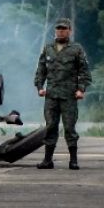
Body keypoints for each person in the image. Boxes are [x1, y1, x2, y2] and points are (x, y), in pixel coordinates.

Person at [35, 17, 92, 170]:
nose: (61, 31)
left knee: (69, 128)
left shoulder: (76, 49)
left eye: (64, 29)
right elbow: (41, 70)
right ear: (55, 31)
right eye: (58, 28)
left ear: (69, 31)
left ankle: (73, 160)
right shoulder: (48, 48)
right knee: (50, 127)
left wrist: (81, 89)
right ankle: (47, 160)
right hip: (51, 95)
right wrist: (39, 87)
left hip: (69, 96)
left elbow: (84, 72)